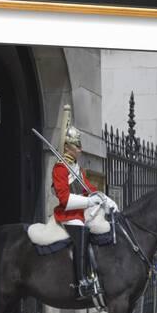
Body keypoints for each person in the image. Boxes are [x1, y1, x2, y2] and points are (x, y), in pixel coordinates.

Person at [52, 113, 118, 300]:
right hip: (68, 215)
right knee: (82, 232)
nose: (80, 150)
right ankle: (81, 283)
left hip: (80, 213)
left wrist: (103, 198)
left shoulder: (76, 168)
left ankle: (94, 274)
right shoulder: (60, 168)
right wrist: (89, 201)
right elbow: (64, 199)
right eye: (77, 146)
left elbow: (89, 188)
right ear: (67, 147)